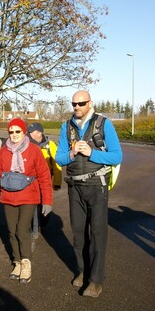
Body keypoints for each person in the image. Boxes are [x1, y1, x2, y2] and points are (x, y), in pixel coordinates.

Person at [55, 90, 122, 298]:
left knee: (97, 234)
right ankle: (83, 271)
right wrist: (72, 153)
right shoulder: (66, 127)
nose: (76, 107)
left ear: (90, 103)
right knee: (78, 233)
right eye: (73, 104)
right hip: (74, 186)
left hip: (97, 184)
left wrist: (92, 153)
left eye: (81, 103)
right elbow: (59, 159)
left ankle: (95, 281)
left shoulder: (104, 124)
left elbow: (117, 156)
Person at [0, 118, 53, 284]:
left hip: (29, 196)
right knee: (11, 231)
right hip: (8, 196)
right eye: (11, 132)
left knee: (21, 230)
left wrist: (47, 201)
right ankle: (17, 262)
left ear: (24, 132)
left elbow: (44, 177)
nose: (13, 135)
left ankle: (26, 263)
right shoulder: (4, 151)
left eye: (17, 131)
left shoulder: (34, 150)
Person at [27, 122, 62, 242]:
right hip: (30, 182)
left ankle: (43, 225)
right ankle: (33, 229)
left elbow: (57, 165)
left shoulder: (50, 145)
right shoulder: (27, 144)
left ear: (39, 133)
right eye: (29, 132)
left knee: (44, 205)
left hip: (44, 181)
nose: (29, 134)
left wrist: (57, 182)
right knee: (31, 206)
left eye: (32, 132)